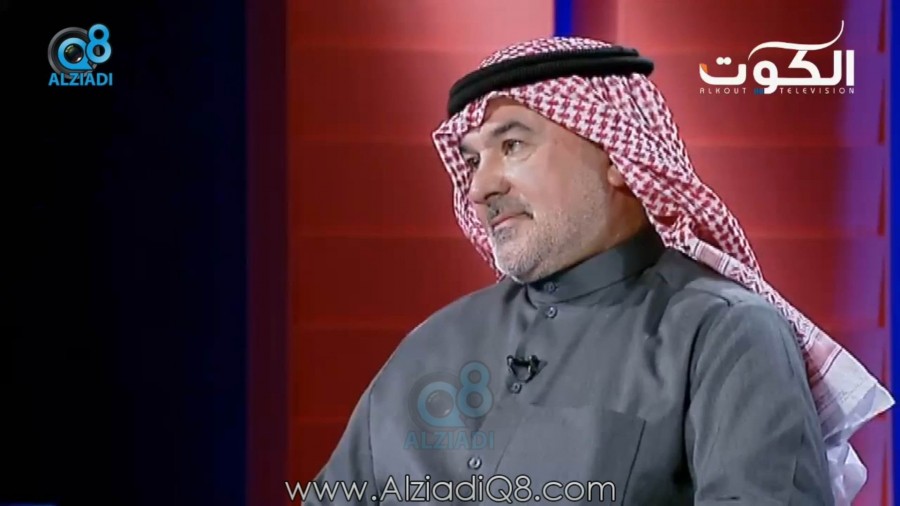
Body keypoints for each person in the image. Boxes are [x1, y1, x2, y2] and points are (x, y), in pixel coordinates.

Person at [304, 37, 893, 505]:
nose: (481, 186)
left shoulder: (724, 336)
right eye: (474, 159)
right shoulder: (430, 346)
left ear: (616, 154)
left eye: (512, 146)